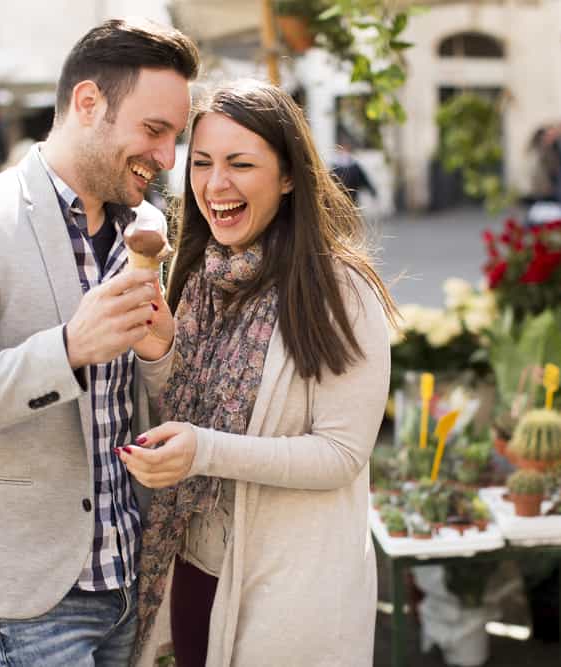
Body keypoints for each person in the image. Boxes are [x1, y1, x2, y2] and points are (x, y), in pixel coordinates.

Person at [0, 19, 198, 666]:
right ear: (88, 103)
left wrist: (158, 351)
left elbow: (152, 393)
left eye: (176, 135)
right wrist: (66, 350)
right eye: (154, 130)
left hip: (126, 571)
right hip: (22, 593)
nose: (169, 158)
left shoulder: (145, 226)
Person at [119, 80, 398, 667]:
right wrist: (159, 355)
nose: (215, 185)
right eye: (201, 163)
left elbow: (341, 454)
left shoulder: (339, 290)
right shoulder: (197, 274)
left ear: (289, 175)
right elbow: (183, 415)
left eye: (240, 164)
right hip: (193, 570)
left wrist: (205, 451)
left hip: (289, 590)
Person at [330, 139, 377, 203]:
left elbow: (363, 178)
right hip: (339, 199)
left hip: (352, 198)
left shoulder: (354, 166)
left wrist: (371, 190)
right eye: (341, 149)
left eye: (345, 149)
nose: (344, 152)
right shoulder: (335, 166)